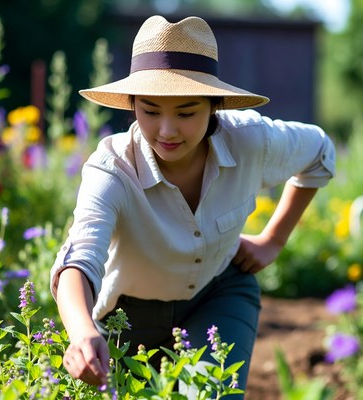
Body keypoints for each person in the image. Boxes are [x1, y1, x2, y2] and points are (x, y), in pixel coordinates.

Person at [50, 15, 335, 398]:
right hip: (126, 316)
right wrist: (82, 333)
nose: (167, 131)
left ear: (215, 106)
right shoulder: (111, 170)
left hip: (219, 294)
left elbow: (319, 151)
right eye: (150, 111)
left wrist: (274, 239)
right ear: (132, 105)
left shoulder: (250, 141)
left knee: (209, 393)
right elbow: (78, 260)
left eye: (186, 113)